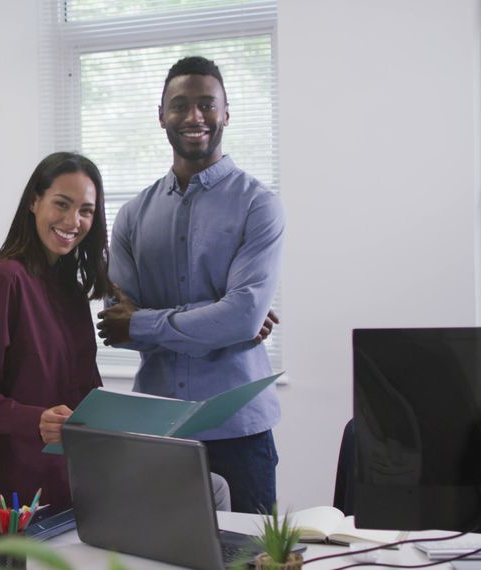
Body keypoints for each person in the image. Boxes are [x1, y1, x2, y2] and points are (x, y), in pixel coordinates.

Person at [0, 152, 230, 511]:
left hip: (78, 471)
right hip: (20, 489)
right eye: (62, 204)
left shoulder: (70, 288)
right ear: (34, 201)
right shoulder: (6, 281)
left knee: (211, 487)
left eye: (85, 210)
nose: (73, 221)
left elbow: (83, 390)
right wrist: (34, 420)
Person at [97, 56, 285, 514]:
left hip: (240, 434)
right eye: (180, 105)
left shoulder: (259, 205)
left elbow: (241, 316)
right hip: (160, 431)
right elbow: (115, 327)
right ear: (161, 114)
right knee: (160, 558)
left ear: (227, 112)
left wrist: (146, 323)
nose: (194, 116)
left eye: (207, 104)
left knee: (249, 561)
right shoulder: (132, 215)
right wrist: (219, 317)